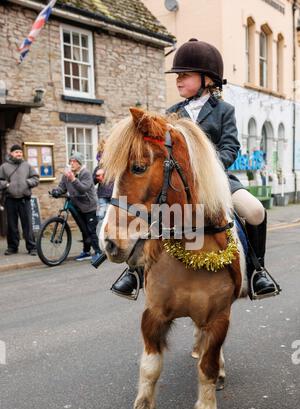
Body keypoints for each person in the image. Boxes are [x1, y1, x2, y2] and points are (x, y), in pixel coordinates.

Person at [111, 38, 279, 300]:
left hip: (218, 182)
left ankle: (258, 271)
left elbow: (230, 147)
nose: (179, 80)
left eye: (185, 75)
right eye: (177, 75)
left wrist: (208, 171)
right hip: (177, 182)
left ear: (207, 79)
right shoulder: (172, 113)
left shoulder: (224, 110)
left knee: (256, 211)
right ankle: (133, 271)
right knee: (150, 212)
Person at [50, 152, 102, 265]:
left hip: (89, 206)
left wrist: (73, 179)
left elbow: (83, 188)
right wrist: (57, 191)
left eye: (74, 161)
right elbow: (62, 187)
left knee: (91, 230)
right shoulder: (67, 175)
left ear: (79, 163)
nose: (71, 163)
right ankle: (86, 252)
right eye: (71, 161)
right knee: (83, 229)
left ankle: (98, 252)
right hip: (77, 205)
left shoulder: (85, 173)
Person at [0, 144, 39, 255]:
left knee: (28, 224)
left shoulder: (27, 165)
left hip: (24, 199)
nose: (19, 154)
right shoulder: (4, 167)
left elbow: (36, 178)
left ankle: (32, 247)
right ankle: (12, 247)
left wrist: (28, 182)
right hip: (10, 199)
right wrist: (6, 185)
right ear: (11, 153)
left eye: (20, 152)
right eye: (17, 152)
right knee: (12, 225)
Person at [93, 141, 113, 232]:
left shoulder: (114, 167)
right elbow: (93, 181)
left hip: (113, 195)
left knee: (112, 216)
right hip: (102, 195)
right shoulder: (98, 168)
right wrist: (97, 178)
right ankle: (100, 233)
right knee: (100, 215)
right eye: (100, 156)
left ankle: (109, 232)